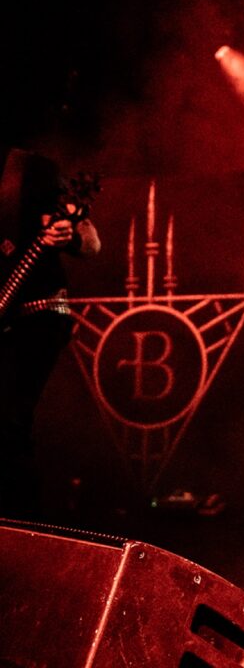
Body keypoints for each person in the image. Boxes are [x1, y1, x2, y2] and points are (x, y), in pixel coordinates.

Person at [0, 145, 100, 517]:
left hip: (35, 316)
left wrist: (69, 235)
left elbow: (91, 243)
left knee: (8, 423)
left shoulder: (26, 171)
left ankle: (23, 526)